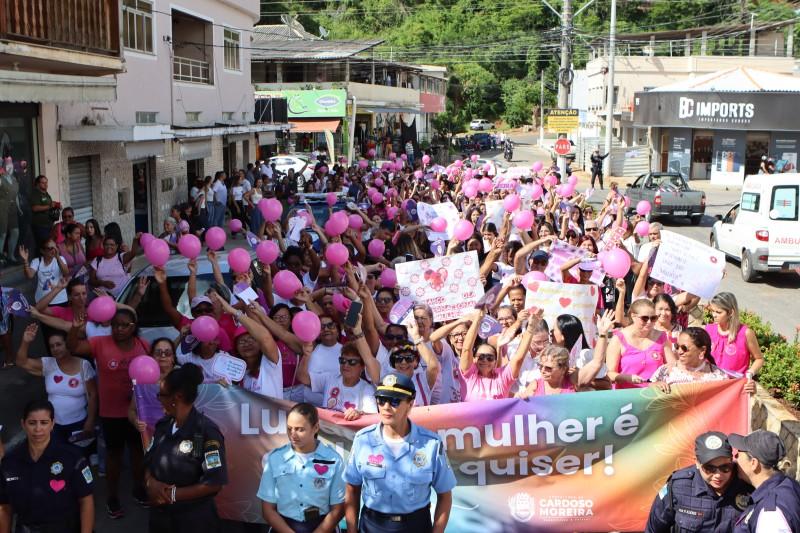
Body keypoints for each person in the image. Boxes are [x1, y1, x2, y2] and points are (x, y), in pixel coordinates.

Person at [344, 373, 456, 533]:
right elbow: (352, 489)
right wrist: (351, 530)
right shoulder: (363, 440)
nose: (386, 407)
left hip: (415, 526)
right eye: (381, 400)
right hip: (373, 526)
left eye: (395, 401)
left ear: (410, 404)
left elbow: (445, 495)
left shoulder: (431, 444)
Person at [67, 308, 150, 518]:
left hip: (138, 411)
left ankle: (139, 489)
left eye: (124, 325)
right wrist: (75, 328)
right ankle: (112, 497)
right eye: (115, 325)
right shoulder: (100, 343)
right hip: (111, 412)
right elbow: (74, 346)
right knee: (114, 455)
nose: (118, 329)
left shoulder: (144, 346)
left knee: (138, 453)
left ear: (133, 327)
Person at [144, 363, 228, 533]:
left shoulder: (206, 433)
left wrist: (171, 495)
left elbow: (214, 483)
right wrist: (151, 483)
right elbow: (148, 463)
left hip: (193, 521)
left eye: (162, 395)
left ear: (177, 397)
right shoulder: (162, 426)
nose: (159, 399)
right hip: (161, 519)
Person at [0, 399, 95, 533]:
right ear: (23, 424)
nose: (38, 429)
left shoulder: (72, 458)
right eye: (32, 423)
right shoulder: (10, 462)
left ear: (52, 424)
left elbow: (86, 500)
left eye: (44, 423)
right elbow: (4, 507)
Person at [258, 403, 345, 533]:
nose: (293, 434)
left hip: (322, 527)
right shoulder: (275, 459)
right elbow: (268, 510)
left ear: (315, 427)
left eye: (300, 429)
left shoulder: (334, 460)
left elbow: (338, 509)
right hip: (283, 526)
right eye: (289, 428)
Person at [645, 431, 753, 533]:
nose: (718, 475)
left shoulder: (747, 483)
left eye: (725, 467)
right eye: (709, 468)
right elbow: (654, 528)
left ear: (731, 460)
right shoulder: (678, 486)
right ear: (697, 462)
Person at [16, 323, 98, 445]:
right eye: (52, 346)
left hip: (79, 423)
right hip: (53, 425)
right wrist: (25, 341)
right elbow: (21, 362)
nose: (55, 349)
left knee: (78, 458)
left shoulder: (83, 365)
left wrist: (90, 421)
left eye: (59, 344)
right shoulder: (48, 364)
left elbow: (93, 395)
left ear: (68, 344)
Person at [730, 430, 800, 532]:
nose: (735, 459)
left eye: (738, 455)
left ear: (753, 463)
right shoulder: (789, 483)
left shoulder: (770, 515)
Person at [606, 299, 674, 388]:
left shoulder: (662, 337)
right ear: (633, 316)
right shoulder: (618, 339)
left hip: (655, 393)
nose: (649, 322)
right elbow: (609, 374)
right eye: (645, 318)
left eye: (653, 318)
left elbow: (673, 367)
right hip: (627, 395)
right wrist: (627, 378)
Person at [649, 327, 730, 392]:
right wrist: (653, 385)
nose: (679, 352)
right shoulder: (666, 370)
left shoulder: (719, 376)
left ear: (702, 351)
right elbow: (643, 392)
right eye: (677, 346)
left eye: (684, 348)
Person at [705, 292, 764, 377]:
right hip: (711, 382)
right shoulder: (708, 330)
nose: (714, 315)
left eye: (718, 312)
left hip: (733, 384)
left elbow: (759, 359)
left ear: (731, 312)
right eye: (712, 311)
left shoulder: (745, 333)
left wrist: (750, 373)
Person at [20, 240, 69, 304]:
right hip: (42, 300)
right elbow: (29, 275)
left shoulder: (61, 259)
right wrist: (25, 261)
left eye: (55, 247)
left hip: (60, 299)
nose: (53, 250)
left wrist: (57, 257)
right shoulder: (37, 261)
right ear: (42, 251)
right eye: (50, 248)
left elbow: (66, 273)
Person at [30, 175, 57, 247]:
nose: (46, 184)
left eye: (46, 182)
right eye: (43, 183)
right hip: (40, 226)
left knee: (48, 246)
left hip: (48, 225)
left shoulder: (45, 193)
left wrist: (56, 205)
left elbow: (47, 204)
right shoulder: (35, 193)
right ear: (38, 184)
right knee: (43, 247)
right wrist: (49, 206)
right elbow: (34, 208)